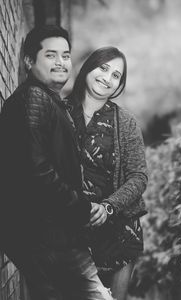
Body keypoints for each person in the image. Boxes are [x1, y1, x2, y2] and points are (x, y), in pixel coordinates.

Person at [0, 26, 113, 300]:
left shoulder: (45, 100)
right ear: (29, 61)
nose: (61, 62)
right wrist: (82, 207)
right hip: (50, 236)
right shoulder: (34, 99)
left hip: (47, 234)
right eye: (51, 55)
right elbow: (36, 172)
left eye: (65, 55)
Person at [68, 46, 148, 300]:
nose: (107, 77)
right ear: (89, 67)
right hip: (68, 233)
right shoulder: (59, 111)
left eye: (116, 75)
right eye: (103, 68)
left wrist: (109, 207)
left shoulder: (125, 122)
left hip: (119, 234)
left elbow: (139, 176)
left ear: (119, 85)